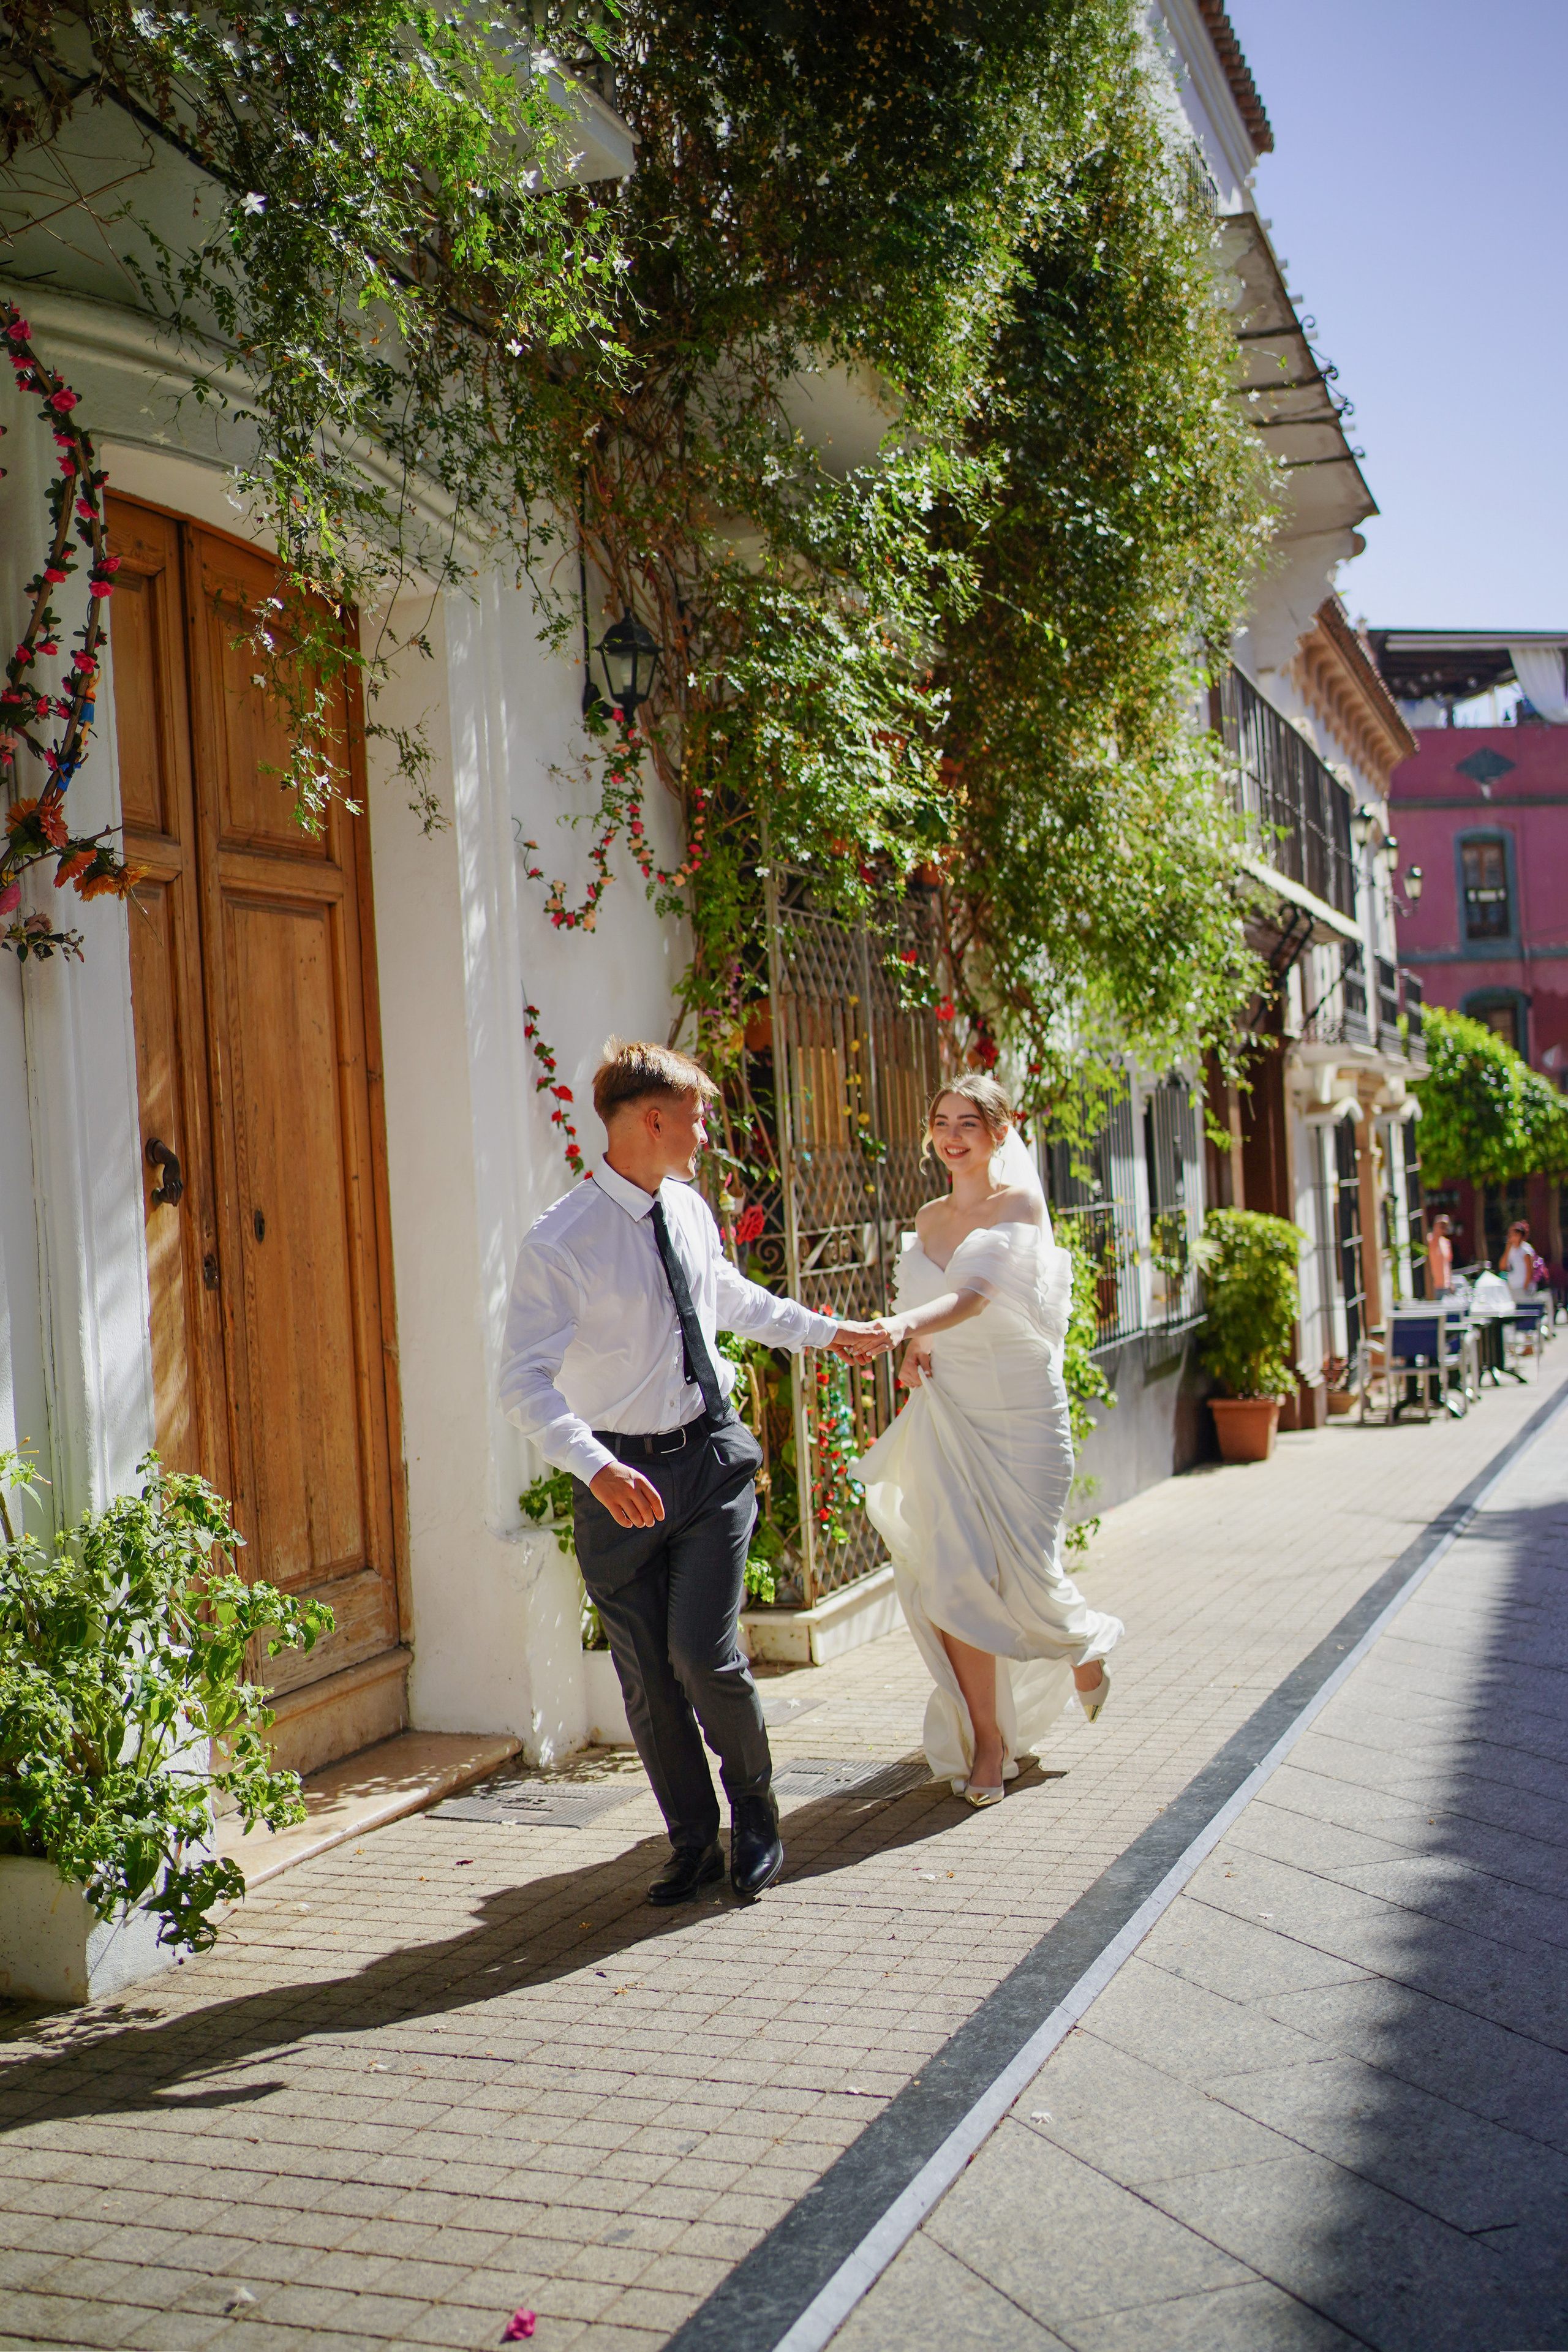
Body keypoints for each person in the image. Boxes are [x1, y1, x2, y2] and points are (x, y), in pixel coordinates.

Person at [499, 1039, 890, 1907]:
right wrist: (596, 1469)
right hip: (619, 1479)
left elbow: (730, 1300)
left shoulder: (689, 1210)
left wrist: (831, 1333)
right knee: (646, 1674)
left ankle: (756, 1815)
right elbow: (521, 1379)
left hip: (708, 1462)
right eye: (698, 1115)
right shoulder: (560, 1243)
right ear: (652, 1119)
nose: (708, 1131)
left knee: (702, 1655)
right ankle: (690, 1842)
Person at [846, 1076, 1123, 1805]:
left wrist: (905, 1328)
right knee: (955, 1572)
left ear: (1001, 1133)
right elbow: (922, 1305)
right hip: (950, 1407)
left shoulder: (1020, 1206)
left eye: (969, 1122)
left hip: (1023, 1410)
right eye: (941, 1122)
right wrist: (911, 1349)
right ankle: (988, 1742)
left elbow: (972, 1296)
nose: (952, 1135)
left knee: (1026, 1570)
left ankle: (1081, 1641)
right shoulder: (927, 1215)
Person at [1502, 1219, 1543, 1303]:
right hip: (1513, 1287)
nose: (1509, 1236)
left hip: (1523, 1288)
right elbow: (1503, 1266)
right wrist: (1507, 1249)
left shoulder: (1525, 1250)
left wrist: (1525, 1287)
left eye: (1512, 1234)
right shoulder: (1511, 1250)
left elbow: (1529, 1270)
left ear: (1519, 1235)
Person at [1426, 1213, 1453, 1300]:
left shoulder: (1446, 1243)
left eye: (1445, 1226)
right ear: (1435, 1225)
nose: (1444, 1228)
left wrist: (1451, 1282)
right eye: (1441, 1225)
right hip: (1434, 1286)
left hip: (1446, 1285)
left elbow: (1448, 1264)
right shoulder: (1429, 1240)